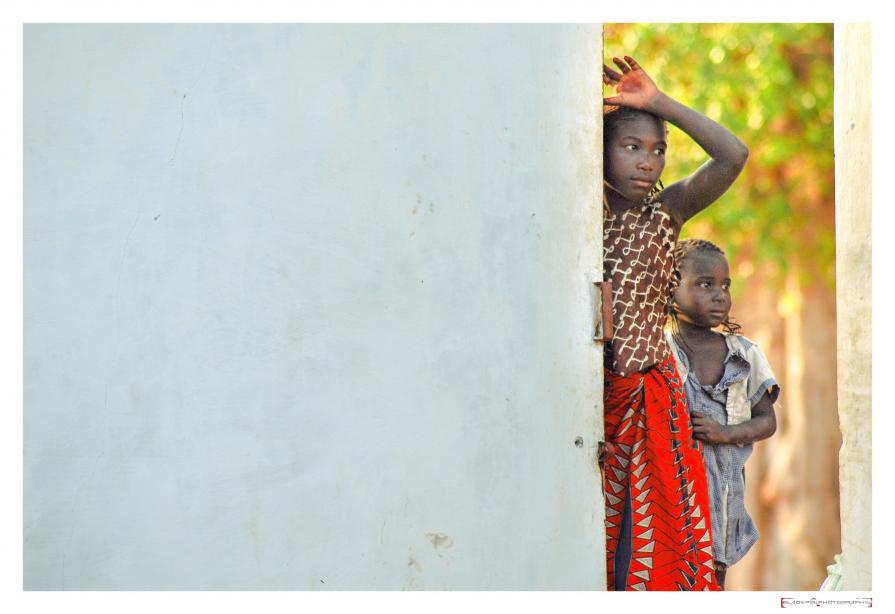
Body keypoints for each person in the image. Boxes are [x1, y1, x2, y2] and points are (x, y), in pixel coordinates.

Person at [600, 55, 748, 591]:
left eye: (658, 150)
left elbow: (734, 155)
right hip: (593, 405)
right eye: (631, 147)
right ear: (599, 152)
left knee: (650, 550)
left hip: (653, 405)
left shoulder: (667, 213)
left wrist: (659, 104)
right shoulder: (580, 211)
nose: (647, 162)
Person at [664, 239, 779, 590]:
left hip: (724, 497)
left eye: (725, 285)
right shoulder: (660, 351)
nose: (719, 295)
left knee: (714, 578)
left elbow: (767, 422)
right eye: (704, 284)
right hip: (672, 495)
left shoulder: (745, 354)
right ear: (670, 289)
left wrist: (724, 433)